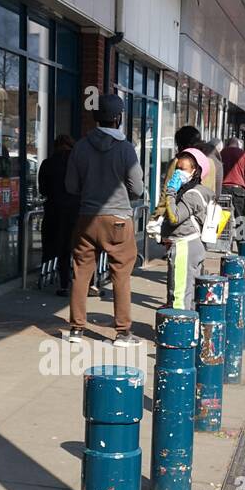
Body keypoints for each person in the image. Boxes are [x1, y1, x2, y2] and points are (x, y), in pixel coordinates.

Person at [65, 93, 144, 345]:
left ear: (95, 116)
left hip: (87, 217)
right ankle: (122, 332)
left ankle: (77, 329)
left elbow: (70, 186)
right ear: (118, 118)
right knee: (120, 274)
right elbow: (138, 189)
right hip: (119, 219)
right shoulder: (125, 148)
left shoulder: (80, 146)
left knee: (81, 273)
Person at [158, 148, 214, 311]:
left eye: (183, 169)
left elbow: (175, 217)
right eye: (177, 168)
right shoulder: (193, 191)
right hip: (187, 245)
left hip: (185, 246)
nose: (178, 173)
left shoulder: (192, 194)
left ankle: (179, 334)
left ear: (195, 171)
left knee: (180, 297)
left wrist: (170, 192)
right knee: (187, 292)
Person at [37, 134, 77, 294]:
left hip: (53, 210)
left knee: (54, 246)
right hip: (75, 211)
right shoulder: (76, 164)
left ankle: (59, 281)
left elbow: (43, 190)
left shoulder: (47, 164)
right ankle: (86, 284)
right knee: (78, 248)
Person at [221, 136, 245, 223]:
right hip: (238, 187)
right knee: (240, 214)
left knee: (223, 213)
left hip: (224, 187)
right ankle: (241, 235)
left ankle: (222, 235)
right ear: (238, 145)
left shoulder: (222, 153)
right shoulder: (243, 154)